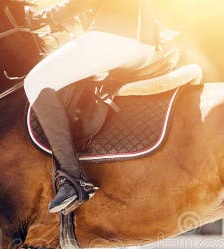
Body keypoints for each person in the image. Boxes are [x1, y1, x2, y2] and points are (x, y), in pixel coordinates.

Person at [25, 0, 162, 214]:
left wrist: (47, 16)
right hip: (145, 43)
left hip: (115, 36)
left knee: (35, 81)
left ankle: (72, 178)